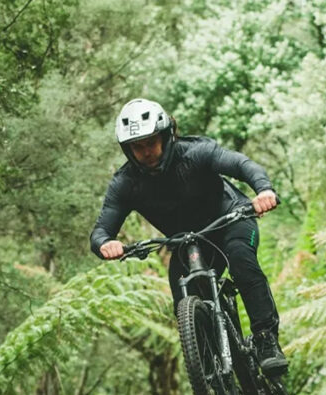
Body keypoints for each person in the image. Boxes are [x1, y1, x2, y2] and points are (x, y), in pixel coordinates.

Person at [89, 98, 287, 376]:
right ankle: (212, 377)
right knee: (183, 300)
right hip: (186, 243)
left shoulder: (196, 153)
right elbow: (100, 231)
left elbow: (242, 165)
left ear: (166, 136)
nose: (146, 151)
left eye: (151, 142)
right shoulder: (125, 183)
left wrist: (263, 190)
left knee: (241, 261)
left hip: (231, 221)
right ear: (128, 149)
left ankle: (266, 340)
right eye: (138, 146)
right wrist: (105, 244)